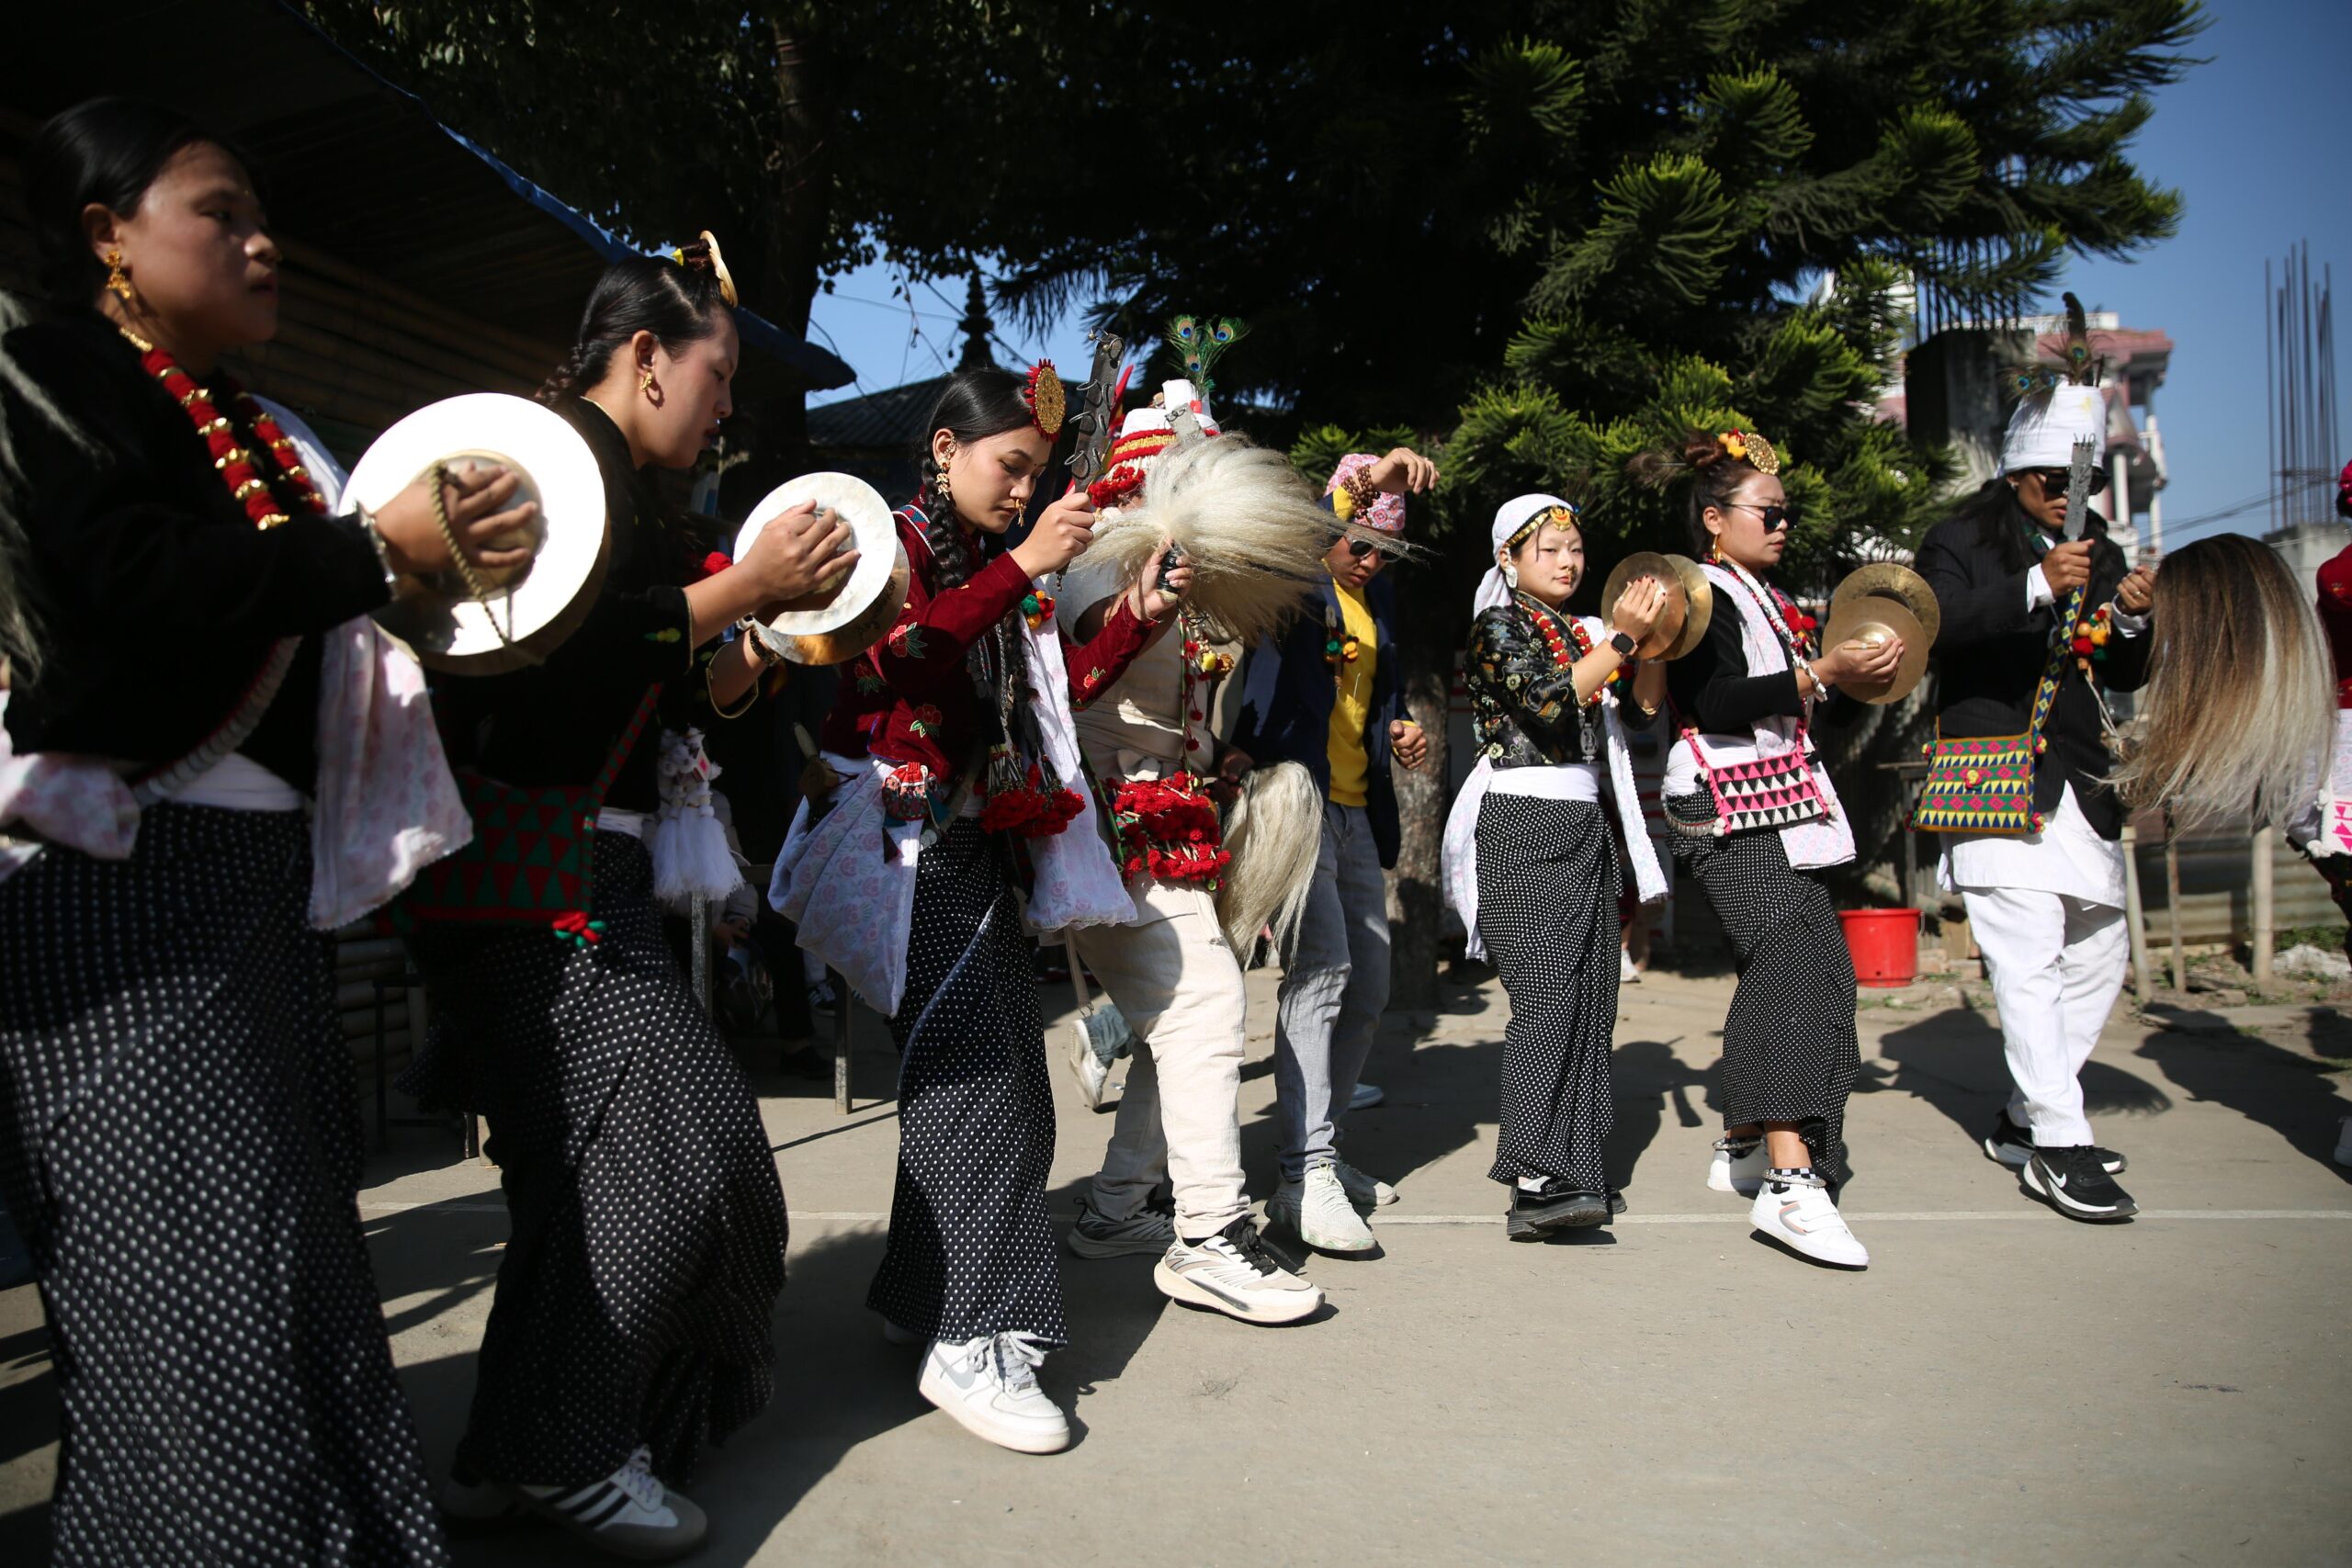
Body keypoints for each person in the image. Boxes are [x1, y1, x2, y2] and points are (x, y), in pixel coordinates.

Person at [0, 97, 535, 1566]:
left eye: (261, 215)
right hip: (125, 895)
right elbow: (127, 587)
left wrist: (424, 582)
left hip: (250, 888)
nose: (262, 242)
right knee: (188, 1304)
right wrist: (370, 552)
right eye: (219, 212)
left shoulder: (254, 422)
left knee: (293, 1273)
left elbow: (309, 615)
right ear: (107, 236)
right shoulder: (46, 375)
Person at [407, 246, 844, 1558]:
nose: (728, 406)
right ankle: (574, 1448)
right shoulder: (552, 468)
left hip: (569, 871)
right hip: (534, 876)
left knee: (578, 1184)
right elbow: (564, 651)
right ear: (647, 357)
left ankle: (507, 1445)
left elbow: (673, 678)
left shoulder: (635, 492)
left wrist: (761, 629)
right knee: (681, 1155)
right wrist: (742, 591)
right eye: (718, 374)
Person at [777, 367, 1159, 1454]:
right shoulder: (889, 546)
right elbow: (894, 658)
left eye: (1037, 474)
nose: (1025, 489)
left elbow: (1048, 693)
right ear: (944, 451)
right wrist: (1027, 564)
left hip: (966, 848)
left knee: (987, 1088)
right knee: (985, 1092)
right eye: (1012, 466)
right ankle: (973, 1336)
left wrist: (1138, 613)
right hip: (906, 848)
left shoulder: (993, 563)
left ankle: (924, 1292)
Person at [1057, 379, 1331, 1324]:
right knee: (1207, 1003)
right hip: (1109, 823)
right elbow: (1081, 672)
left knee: (1177, 1015)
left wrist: (1221, 760)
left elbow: (1172, 709)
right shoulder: (1102, 557)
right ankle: (1209, 1235)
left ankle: (1116, 1206)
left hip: (1171, 815)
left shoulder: (1191, 578)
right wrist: (1143, 600)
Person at [1637, 428, 1894, 1269]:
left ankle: (1748, 1139)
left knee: (1813, 965)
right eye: (1767, 512)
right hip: (1722, 798)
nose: (1783, 525)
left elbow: (1801, 703)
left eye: (1786, 513)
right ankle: (1789, 1177)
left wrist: (1855, 674)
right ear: (1715, 518)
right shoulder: (1695, 591)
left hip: (1778, 798)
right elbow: (1712, 699)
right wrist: (1822, 672)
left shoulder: (1769, 600)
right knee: (1792, 959)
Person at [1913, 351, 2154, 1224]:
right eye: (2055, 479)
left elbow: (2119, 669)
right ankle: (2060, 1139)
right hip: (1989, 768)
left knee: (2100, 950)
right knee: (2026, 954)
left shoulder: (2104, 546)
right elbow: (1931, 627)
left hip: (2079, 779)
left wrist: (2130, 616)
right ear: (2017, 472)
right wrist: (2031, 586)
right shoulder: (1958, 540)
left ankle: (2023, 1115)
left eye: (2084, 481)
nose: (2069, 495)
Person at [1442, 494, 1670, 1238]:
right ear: (1508, 559)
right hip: (1523, 820)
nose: (1569, 561)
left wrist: (1654, 645)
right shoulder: (1496, 627)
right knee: (1546, 997)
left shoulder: (1585, 631)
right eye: (1549, 550)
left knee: (1593, 997)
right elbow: (1545, 704)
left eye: (1575, 548)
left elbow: (1639, 716)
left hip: (1584, 821)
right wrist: (1624, 639)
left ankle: (1577, 1165)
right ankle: (1535, 1178)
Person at [1228, 446, 1436, 1255]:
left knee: (1369, 985)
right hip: (1297, 802)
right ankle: (1303, 1171)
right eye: (1360, 540)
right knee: (1320, 974)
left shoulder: (1370, 601)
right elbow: (1300, 534)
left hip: (1354, 811)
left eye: (1386, 548)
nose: (1371, 557)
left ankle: (1325, 1146)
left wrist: (1399, 728)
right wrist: (1365, 482)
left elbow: (1374, 699)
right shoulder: (1295, 582)